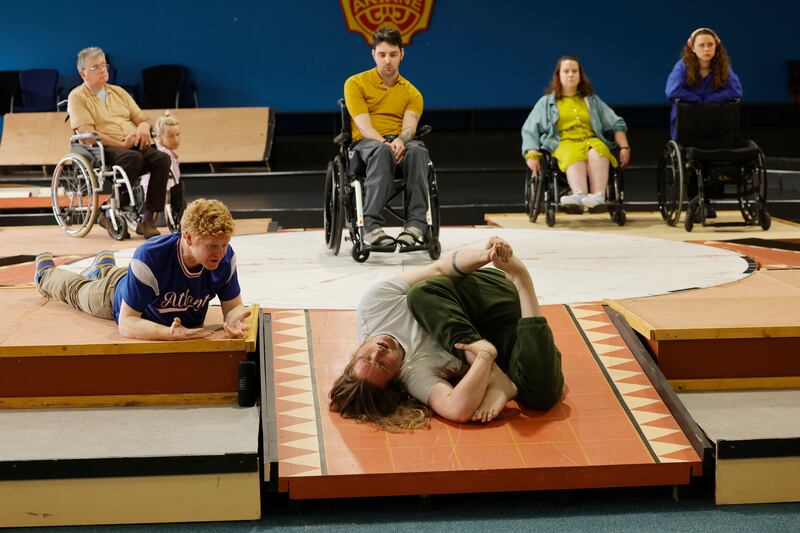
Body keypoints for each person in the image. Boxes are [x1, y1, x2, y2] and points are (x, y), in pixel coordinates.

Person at [329, 236, 564, 432]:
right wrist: (483, 356)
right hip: (500, 333)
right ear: (395, 377)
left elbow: (440, 268)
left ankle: (497, 379)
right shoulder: (412, 373)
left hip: (488, 295)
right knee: (541, 396)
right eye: (382, 366)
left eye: (365, 357)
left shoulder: (374, 306)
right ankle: (523, 281)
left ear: (354, 354)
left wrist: (484, 256)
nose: (377, 353)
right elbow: (456, 409)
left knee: (420, 295)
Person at [34, 199, 251, 341]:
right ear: (188, 237)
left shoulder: (224, 258)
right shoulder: (151, 257)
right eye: (212, 245)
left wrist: (233, 321)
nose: (220, 253)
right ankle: (45, 275)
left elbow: (233, 306)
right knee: (77, 291)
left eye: (224, 244)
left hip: (137, 282)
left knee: (115, 275)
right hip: (112, 296)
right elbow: (127, 323)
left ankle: (104, 267)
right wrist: (168, 333)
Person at [67, 46, 171, 239]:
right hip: (103, 149)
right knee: (132, 158)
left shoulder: (119, 92)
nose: (103, 69)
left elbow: (142, 118)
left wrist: (143, 127)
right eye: (95, 67)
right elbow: (88, 134)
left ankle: (147, 219)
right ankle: (111, 208)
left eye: (104, 64)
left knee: (162, 159)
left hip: (132, 144)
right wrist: (121, 144)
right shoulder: (77, 97)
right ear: (83, 73)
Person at [343, 27, 430, 250]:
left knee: (419, 150)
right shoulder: (356, 83)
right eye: (382, 55)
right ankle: (371, 227)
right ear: (374, 55)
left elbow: (409, 128)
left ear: (402, 54)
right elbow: (364, 126)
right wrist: (385, 144)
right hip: (365, 145)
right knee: (381, 151)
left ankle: (416, 226)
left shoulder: (412, 93)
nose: (387, 60)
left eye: (392, 54)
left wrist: (400, 141)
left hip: (398, 143)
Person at [521, 55, 630, 209]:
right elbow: (530, 129)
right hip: (563, 141)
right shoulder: (546, 102)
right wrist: (531, 154)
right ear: (558, 76)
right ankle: (579, 193)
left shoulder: (591, 100)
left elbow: (616, 123)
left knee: (599, 151)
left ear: (580, 75)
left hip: (591, 139)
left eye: (574, 71)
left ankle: (599, 195)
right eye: (566, 71)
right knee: (572, 153)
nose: (570, 74)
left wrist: (624, 147)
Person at [665, 27, 742, 219]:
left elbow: (736, 91)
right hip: (689, 125)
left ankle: (707, 200)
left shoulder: (723, 67)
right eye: (702, 45)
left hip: (716, 124)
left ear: (716, 46)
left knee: (718, 156)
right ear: (692, 47)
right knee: (692, 160)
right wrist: (700, 100)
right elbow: (672, 91)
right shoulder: (682, 67)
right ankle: (697, 202)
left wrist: (709, 101)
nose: (706, 49)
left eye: (710, 45)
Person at [141, 112, 186, 225]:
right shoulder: (162, 155)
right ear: (160, 138)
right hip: (152, 189)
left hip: (167, 186)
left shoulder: (169, 152)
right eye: (171, 136)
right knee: (179, 187)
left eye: (178, 134)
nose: (176, 139)